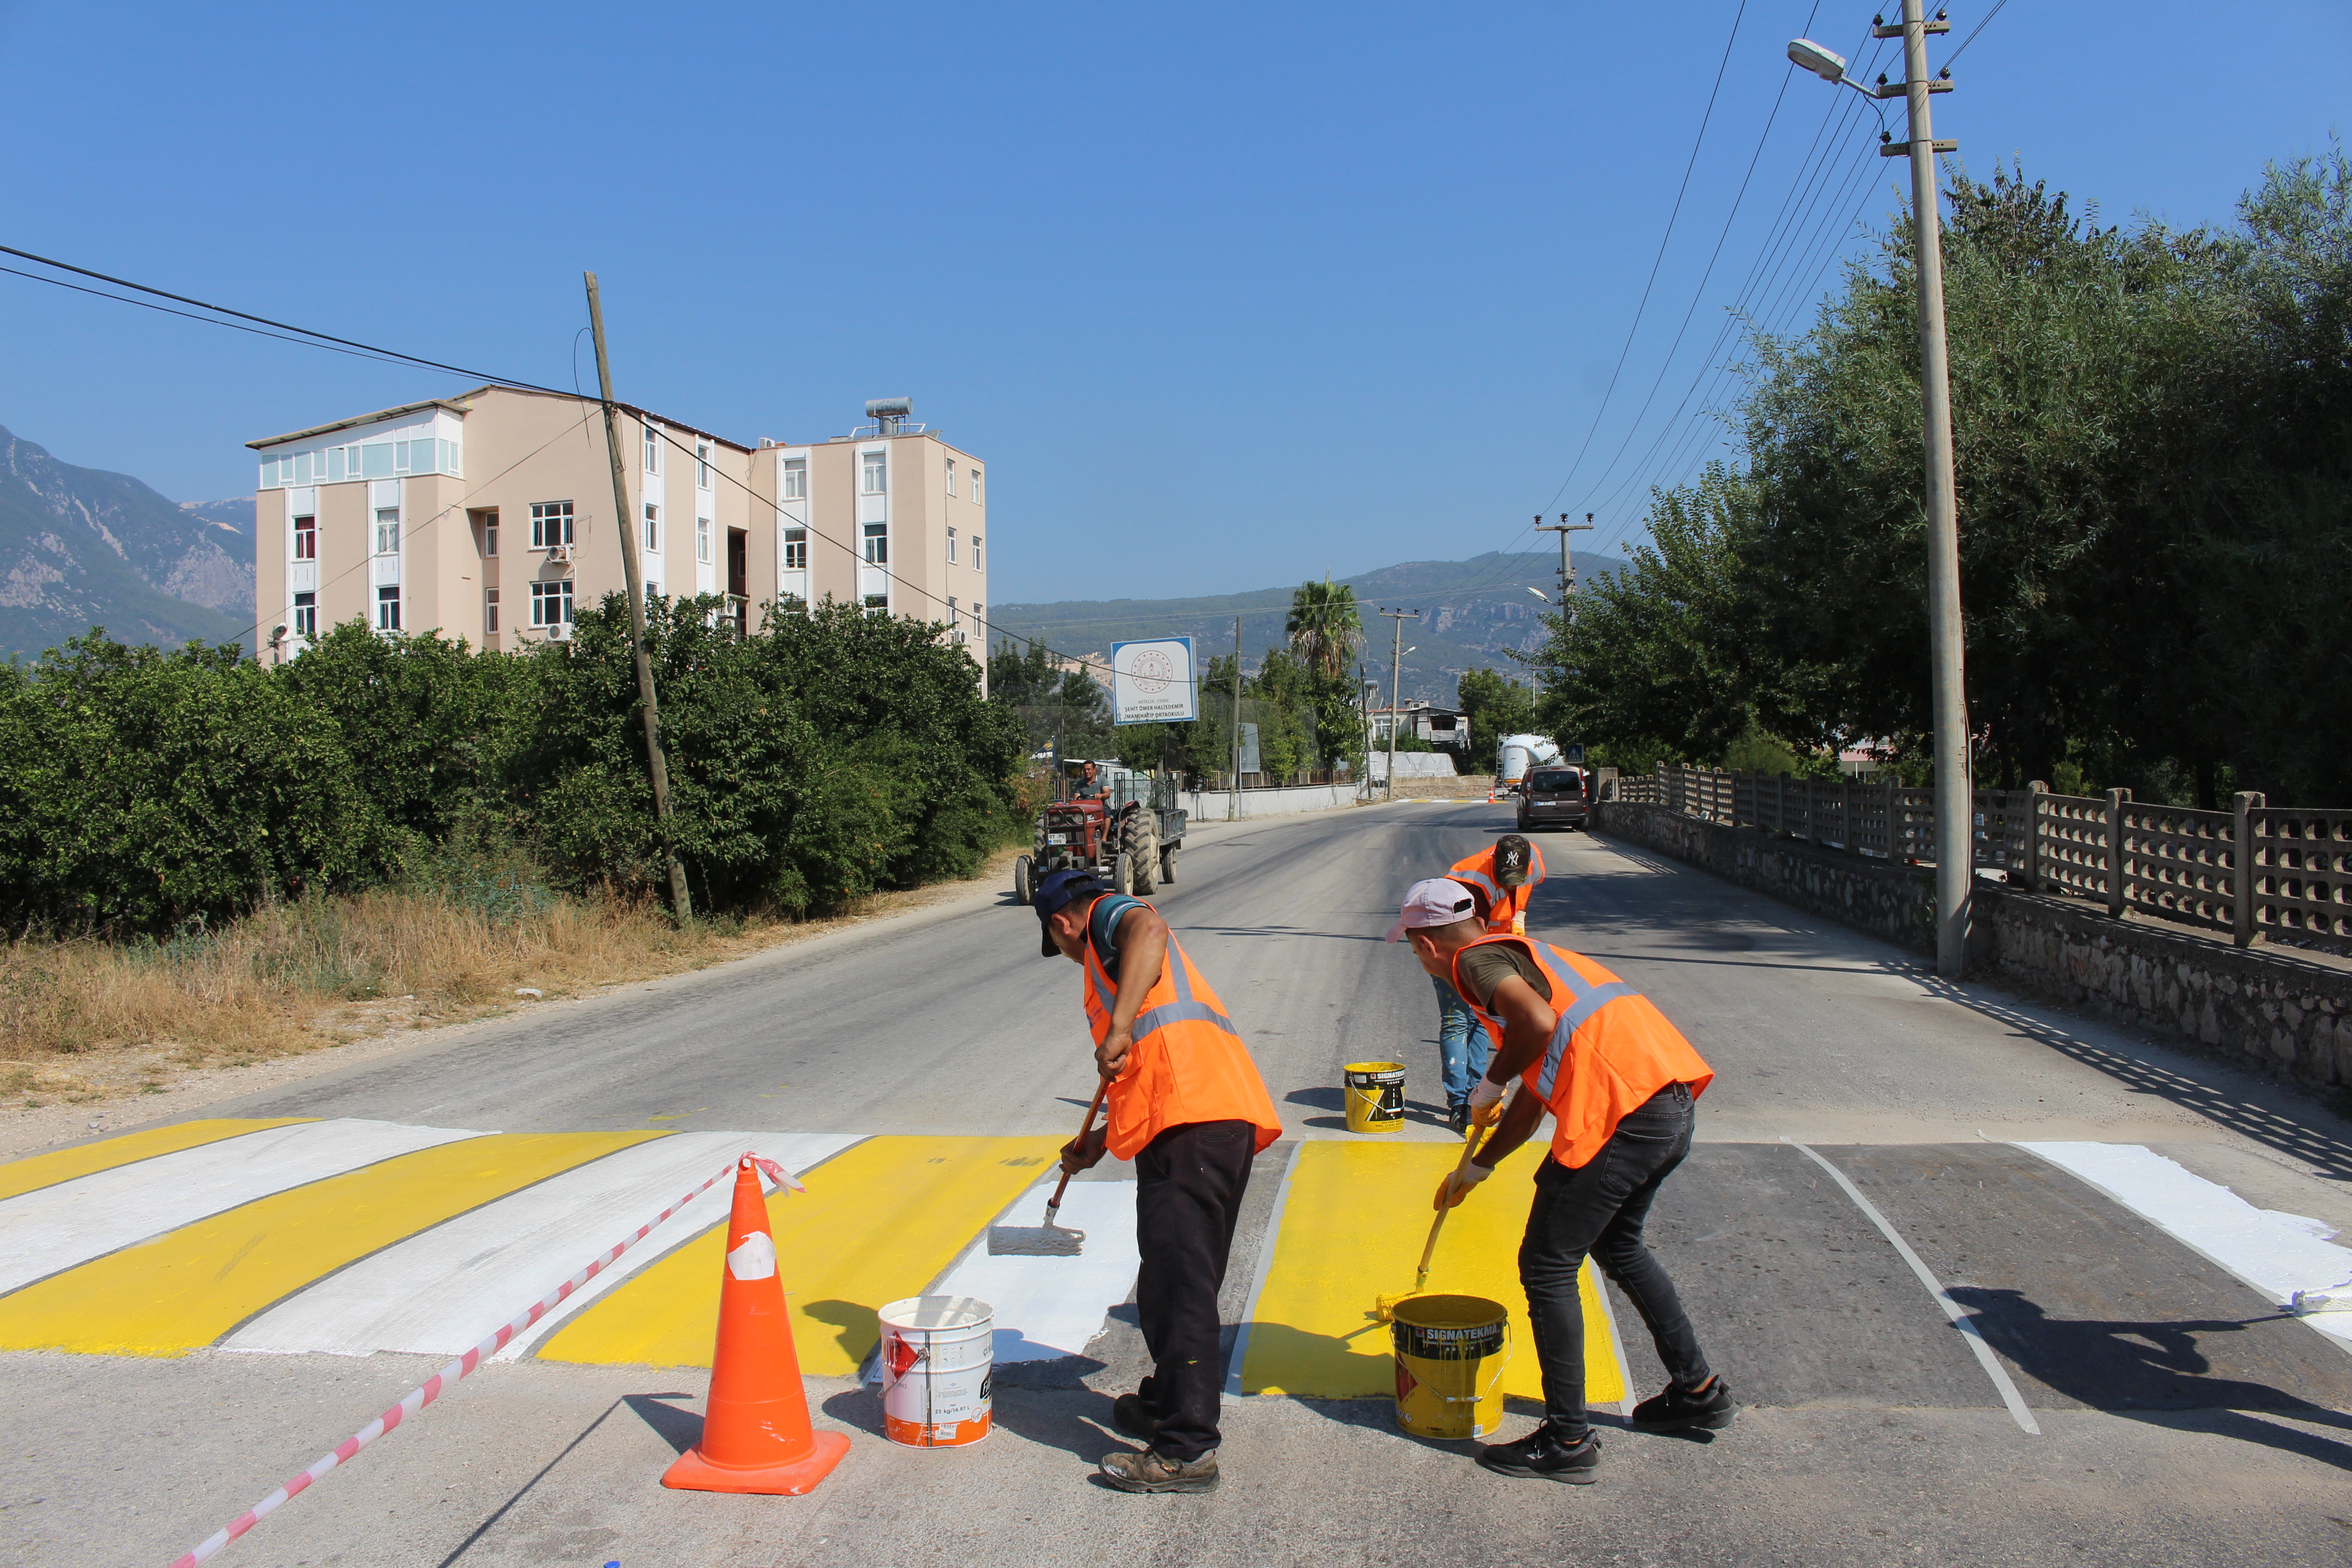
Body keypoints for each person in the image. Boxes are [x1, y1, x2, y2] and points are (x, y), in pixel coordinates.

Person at [1387, 877, 1732, 1484]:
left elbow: (1537, 1025)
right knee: (1619, 1246)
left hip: (1622, 1115)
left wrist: (1487, 1082)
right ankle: (1697, 1388)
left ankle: (1569, 1438)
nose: (1421, 963)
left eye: (1415, 951)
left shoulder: (1475, 963)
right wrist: (1478, 1165)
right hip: (1665, 1106)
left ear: (1428, 945)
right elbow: (1536, 1094)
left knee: (1546, 1265)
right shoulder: (1525, 957)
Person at [1034, 867, 1283, 1494]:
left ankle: (1186, 1449)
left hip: (1194, 1122)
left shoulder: (1111, 921)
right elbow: (1151, 1055)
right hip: (1193, 1120)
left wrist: (1117, 1028)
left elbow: (1151, 925)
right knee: (1171, 1282)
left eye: (1058, 942)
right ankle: (1168, 1399)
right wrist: (1094, 1144)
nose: (1066, 953)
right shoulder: (1113, 963)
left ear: (1064, 922)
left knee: (1181, 1289)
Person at [1423, 835, 1543, 1136]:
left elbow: (1523, 893)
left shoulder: (1534, 860)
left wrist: (1519, 918)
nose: (1512, 886)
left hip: (1492, 943)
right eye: (1507, 881)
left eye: (1518, 880)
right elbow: (1469, 939)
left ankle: (1478, 1095)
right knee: (1457, 1021)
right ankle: (1459, 1104)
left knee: (1481, 1020)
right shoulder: (1471, 883)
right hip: (1452, 947)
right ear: (1494, 866)